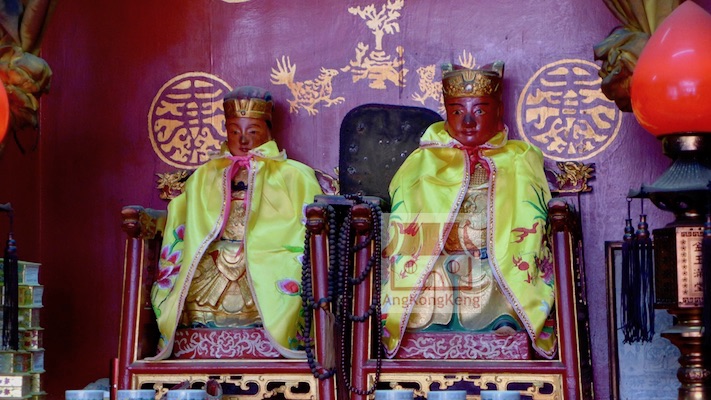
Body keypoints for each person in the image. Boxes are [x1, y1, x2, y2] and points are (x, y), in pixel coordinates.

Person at [381, 62, 557, 359]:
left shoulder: (519, 158)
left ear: (498, 111)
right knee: (430, 277)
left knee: (498, 273)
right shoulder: (423, 161)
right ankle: (423, 328)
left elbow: (532, 214)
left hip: (492, 254)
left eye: (480, 111)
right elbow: (405, 213)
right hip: (439, 254)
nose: (468, 121)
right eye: (457, 111)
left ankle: (505, 320)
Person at [149, 86, 323, 360]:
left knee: (278, 276)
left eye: (252, 131)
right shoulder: (206, 174)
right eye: (234, 131)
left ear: (268, 132)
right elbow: (185, 219)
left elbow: (308, 223)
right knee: (195, 277)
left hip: (270, 253)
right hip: (217, 252)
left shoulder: (294, 175)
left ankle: (278, 337)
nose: (243, 140)